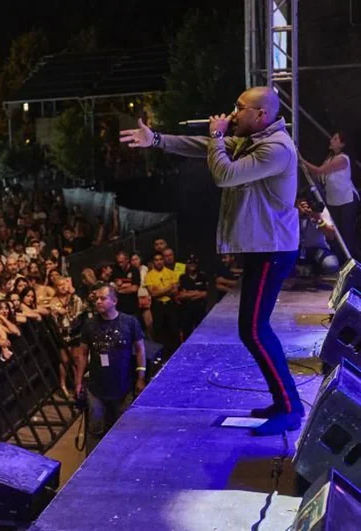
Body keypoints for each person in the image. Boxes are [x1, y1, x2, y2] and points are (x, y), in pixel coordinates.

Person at [120, 86, 303, 435]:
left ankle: (290, 407)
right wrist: (156, 139)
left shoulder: (276, 148)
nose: (232, 113)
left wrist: (218, 135)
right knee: (253, 329)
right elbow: (204, 148)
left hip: (272, 250)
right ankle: (283, 402)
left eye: (239, 108)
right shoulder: (255, 140)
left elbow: (224, 174)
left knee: (253, 329)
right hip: (263, 248)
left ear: (260, 114)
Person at [74, 285, 145, 454]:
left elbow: (141, 349)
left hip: (123, 386)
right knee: (95, 429)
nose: (98, 302)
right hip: (96, 388)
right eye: (97, 298)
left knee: (123, 428)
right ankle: (91, 465)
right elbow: (82, 354)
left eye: (103, 298)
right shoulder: (90, 325)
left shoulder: (129, 322)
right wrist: (78, 382)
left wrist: (141, 376)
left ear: (114, 301)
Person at [300, 131, 359, 260]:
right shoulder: (329, 159)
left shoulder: (342, 159)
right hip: (334, 200)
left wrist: (301, 159)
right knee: (335, 233)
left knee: (346, 232)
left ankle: (349, 262)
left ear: (342, 144)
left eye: (336, 139)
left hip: (347, 199)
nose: (331, 140)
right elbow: (317, 174)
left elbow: (319, 170)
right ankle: (339, 260)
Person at [177, 256, 209, 340]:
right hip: (187, 310)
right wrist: (197, 292)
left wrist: (189, 293)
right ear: (187, 264)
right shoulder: (182, 277)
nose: (192, 265)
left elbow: (205, 294)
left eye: (194, 263)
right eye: (190, 263)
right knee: (187, 334)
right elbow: (181, 295)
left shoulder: (202, 276)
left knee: (202, 333)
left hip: (200, 309)